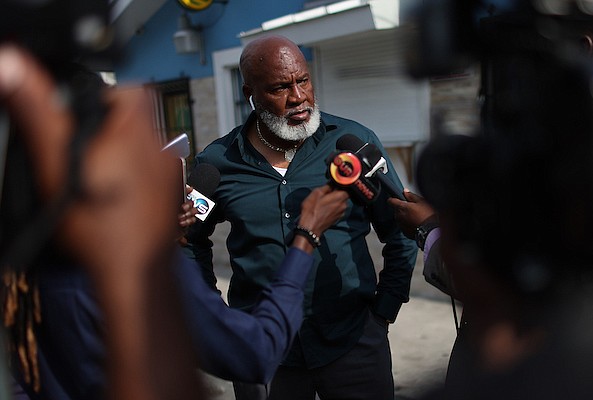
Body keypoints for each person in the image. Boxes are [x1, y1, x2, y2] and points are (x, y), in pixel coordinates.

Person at [0, 44, 351, 400]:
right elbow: (254, 352)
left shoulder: (19, 273)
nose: (296, 97)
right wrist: (306, 237)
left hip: (347, 338)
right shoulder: (141, 268)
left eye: (303, 81)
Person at [185, 34, 418, 400]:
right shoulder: (216, 164)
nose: (298, 98)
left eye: (303, 81)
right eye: (280, 87)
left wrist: (385, 308)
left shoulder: (352, 142)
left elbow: (401, 225)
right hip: (264, 352)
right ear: (251, 92)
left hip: (354, 341)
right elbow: (188, 242)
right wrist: (217, 317)